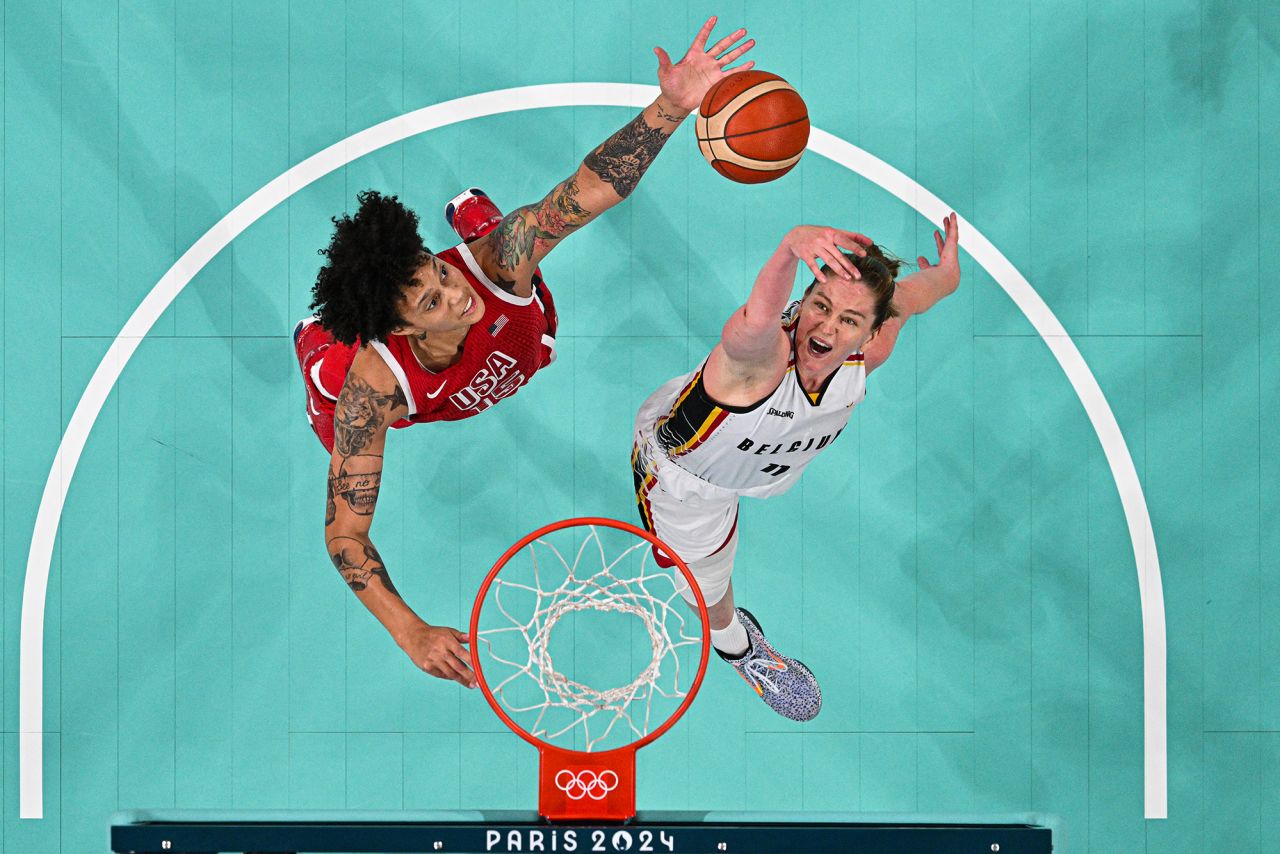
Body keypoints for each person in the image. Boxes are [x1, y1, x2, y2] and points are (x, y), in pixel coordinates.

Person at [293, 17, 756, 689]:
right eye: (428, 303)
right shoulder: (374, 390)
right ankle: (316, 341)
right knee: (324, 377)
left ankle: (472, 218)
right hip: (413, 394)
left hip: (506, 336)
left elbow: (592, 188)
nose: (453, 296)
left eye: (438, 273)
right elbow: (345, 537)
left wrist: (672, 106)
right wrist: (410, 630)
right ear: (400, 330)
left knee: (517, 245)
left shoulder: (492, 268)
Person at [631, 215, 962, 721]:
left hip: (750, 460)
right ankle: (738, 647)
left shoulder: (868, 354)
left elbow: (911, 299)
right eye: (819, 306)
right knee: (708, 593)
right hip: (688, 482)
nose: (827, 327)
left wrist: (947, 276)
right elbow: (754, 325)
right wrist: (788, 249)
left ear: (870, 332)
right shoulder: (758, 358)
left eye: (849, 320)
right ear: (802, 302)